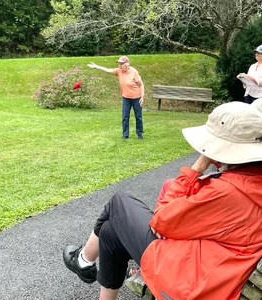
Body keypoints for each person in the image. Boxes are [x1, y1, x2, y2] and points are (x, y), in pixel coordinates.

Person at [63, 101, 262, 300]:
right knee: (109, 231)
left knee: (118, 202)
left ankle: (83, 261)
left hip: (191, 282)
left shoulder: (228, 191)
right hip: (213, 267)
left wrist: (197, 167)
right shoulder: (251, 183)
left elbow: (162, 220)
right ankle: (86, 264)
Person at [87, 56, 145, 139]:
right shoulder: (119, 71)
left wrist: (142, 97)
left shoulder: (133, 72)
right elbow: (108, 70)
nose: (119, 66)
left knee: (138, 116)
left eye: (121, 64)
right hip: (126, 97)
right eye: (119, 64)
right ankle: (125, 135)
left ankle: (139, 133)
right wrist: (96, 66)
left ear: (127, 64)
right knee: (125, 117)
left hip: (136, 97)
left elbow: (141, 84)